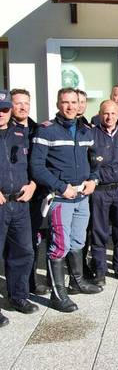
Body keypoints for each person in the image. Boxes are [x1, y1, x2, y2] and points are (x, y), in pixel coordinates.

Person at [30, 88, 102, 313]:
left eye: (74, 102)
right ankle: (57, 293)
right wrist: (61, 187)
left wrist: (94, 179)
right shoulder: (46, 131)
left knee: (78, 241)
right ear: (58, 104)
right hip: (61, 198)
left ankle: (77, 281)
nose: (71, 106)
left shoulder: (85, 131)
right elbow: (37, 167)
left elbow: (95, 160)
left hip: (82, 197)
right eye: (65, 102)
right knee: (59, 245)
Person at [0, 89, 38, 326]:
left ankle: (19, 296)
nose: (1, 114)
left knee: (23, 252)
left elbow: (33, 164)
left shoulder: (20, 133)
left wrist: (33, 184)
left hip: (21, 204)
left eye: (4, 109)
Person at [88, 100, 118, 285]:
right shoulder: (91, 134)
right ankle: (99, 269)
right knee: (99, 231)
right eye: (106, 113)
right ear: (100, 114)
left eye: (113, 114)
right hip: (100, 191)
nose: (109, 117)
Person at [9, 88, 50, 296]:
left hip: (33, 196)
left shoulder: (37, 129)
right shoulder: (5, 129)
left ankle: (30, 282)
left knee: (31, 243)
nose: (23, 107)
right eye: (18, 103)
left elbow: (42, 164)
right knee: (12, 247)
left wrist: (34, 184)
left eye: (26, 103)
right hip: (9, 198)